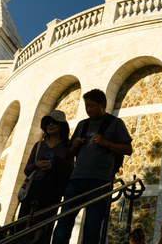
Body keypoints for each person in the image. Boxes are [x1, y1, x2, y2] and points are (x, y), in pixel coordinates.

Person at [51, 89, 133, 244]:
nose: (88, 110)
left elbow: (128, 149)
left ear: (102, 104)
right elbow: (70, 152)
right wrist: (74, 146)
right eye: (86, 106)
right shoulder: (83, 124)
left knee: (92, 229)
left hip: (99, 183)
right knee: (63, 224)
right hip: (75, 180)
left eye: (92, 106)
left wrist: (106, 143)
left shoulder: (115, 123)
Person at [18, 110, 74, 244]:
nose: (50, 124)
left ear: (62, 126)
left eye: (54, 122)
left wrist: (55, 165)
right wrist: (37, 164)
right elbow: (27, 170)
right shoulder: (39, 145)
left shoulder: (66, 147)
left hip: (53, 189)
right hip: (34, 186)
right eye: (48, 122)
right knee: (23, 223)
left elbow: (70, 168)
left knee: (44, 226)